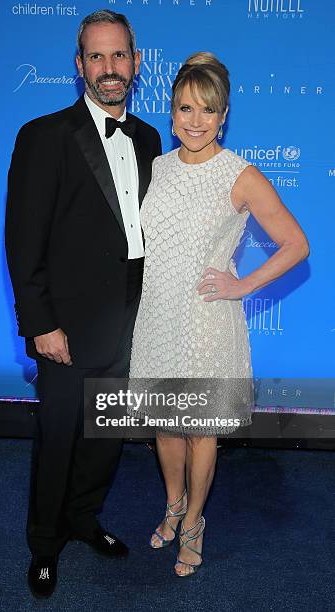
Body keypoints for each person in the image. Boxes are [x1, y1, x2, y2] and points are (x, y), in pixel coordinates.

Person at [129, 52, 309, 577]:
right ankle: (173, 505)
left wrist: (242, 285)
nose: (195, 120)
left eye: (207, 110)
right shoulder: (158, 167)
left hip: (207, 321)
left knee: (199, 429)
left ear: (224, 114)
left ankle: (194, 524)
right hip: (157, 315)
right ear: (172, 111)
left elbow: (296, 244)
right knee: (165, 424)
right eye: (185, 108)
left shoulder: (240, 175)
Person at [5, 9, 161, 598]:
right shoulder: (43, 136)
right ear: (79, 67)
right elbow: (23, 242)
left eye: (119, 55)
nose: (109, 68)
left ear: (136, 62)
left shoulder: (148, 138)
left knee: (105, 437)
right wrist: (41, 323)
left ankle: (84, 519)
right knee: (59, 437)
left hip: (130, 322)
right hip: (65, 329)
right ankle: (44, 543)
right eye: (96, 57)